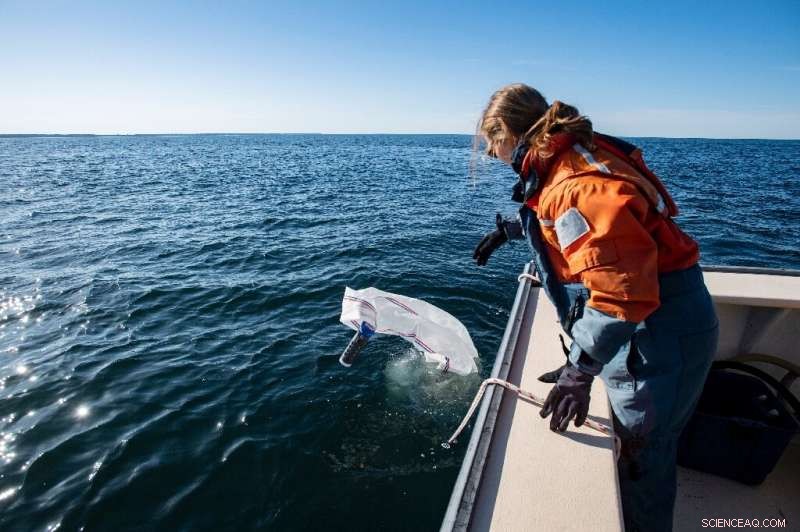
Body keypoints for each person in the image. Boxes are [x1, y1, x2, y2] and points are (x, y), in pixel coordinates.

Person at [472, 83, 719, 532]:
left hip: (661, 332)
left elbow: (622, 295)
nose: (492, 154)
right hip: (658, 318)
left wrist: (578, 371)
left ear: (508, 131)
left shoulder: (575, 182)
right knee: (644, 445)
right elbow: (570, 227)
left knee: (644, 455)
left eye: (492, 143)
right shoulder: (573, 157)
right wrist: (511, 230)